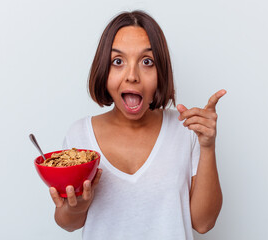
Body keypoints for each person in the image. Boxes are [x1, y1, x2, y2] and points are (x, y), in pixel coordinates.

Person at [49, 10, 226, 239]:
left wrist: (208, 146)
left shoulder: (185, 130)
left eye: (147, 61)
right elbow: (68, 223)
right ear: (103, 70)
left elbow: (203, 223)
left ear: (161, 72)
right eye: (118, 61)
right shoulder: (79, 136)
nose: (132, 76)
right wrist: (76, 207)